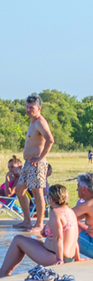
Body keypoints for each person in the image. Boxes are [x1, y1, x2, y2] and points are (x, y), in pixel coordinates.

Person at [1, 184, 79, 276]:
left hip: (54, 256)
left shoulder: (55, 213)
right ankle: (4, 272)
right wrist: (77, 258)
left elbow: (58, 238)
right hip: (68, 256)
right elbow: (74, 237)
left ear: (51, 199)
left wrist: (59, 260)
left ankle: (3, 273)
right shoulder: (70, 211)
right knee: (24, 240)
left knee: (18, 239)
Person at [13, 95, 55, 232]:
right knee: (19, 190)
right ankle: (27, 221)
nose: (28, 110)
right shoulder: (32, 122)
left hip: (37, 164)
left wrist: (40, 157)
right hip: (28, 164)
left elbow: (50, 140)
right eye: (27, 107)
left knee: (38, 193)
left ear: (39, 108)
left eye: (31, 107)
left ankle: (39, 224)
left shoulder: (40, 122)